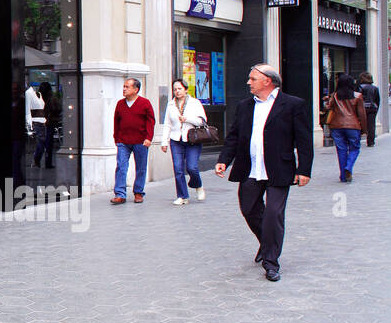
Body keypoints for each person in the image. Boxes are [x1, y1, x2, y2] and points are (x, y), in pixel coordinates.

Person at [215, 63, 312, 283]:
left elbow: (304, 140)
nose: (249, 82)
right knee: (249, 209)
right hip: (251, 168)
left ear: (267, 81)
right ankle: (267, 242)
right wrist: (224, 160)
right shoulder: (245, 106)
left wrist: (304, 169)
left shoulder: (292, 105)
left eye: (253, 79)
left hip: (279, 169)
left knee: (273, 215)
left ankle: (271, 262)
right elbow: (234, 136)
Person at [162, 77, 207, 205]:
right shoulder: (171, 104)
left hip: (192, 139)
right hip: (176, 139)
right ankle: (182, 196)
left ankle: (198, 185)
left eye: (180, 89)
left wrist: (187, 119)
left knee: (192, 167)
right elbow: (167, 124)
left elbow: (202, 121)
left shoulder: (195, 103)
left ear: (186, 90)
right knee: (178, 169)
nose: (177, 91)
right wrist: (164, 142)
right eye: (175, 89)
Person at [112, 77, 155, 204]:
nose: (124, 89)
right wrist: (117, 138)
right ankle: (120, 194)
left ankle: (138, 192)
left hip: (141, 141)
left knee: (140, 167)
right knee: (121, 166)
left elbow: (151, 121)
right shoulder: (120, 103)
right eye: (124, 86)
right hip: (123, 142)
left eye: (127, 87)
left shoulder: (145, 103)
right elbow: (116, 122)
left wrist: (148, 138)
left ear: (136, 90)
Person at [324, 73, 366, 183]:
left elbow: (329, 107)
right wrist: (364, 129)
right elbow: (361, 114)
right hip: (353, 126)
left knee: (341, 150)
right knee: (354, 148)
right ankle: (349, 166)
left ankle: (343, 175)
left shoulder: (335, 95)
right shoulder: (357, 96)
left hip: (336, 126)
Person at [357, 71, 380, 148]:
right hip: (372, 108)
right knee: (371, 126)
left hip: (361, 108)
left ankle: (357, 139)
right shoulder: (375, 88)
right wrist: (376, 108)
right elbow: (377, 100)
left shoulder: (359, 87)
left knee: (359, 124)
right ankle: (370, 142)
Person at [25, 81, 45, 167]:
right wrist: (29, 126)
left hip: (42, 122)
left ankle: (36, 160)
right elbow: (27, 111)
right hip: (36, 122)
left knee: (42, 142)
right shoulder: (28, 94)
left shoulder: (38, 94)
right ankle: (36, 160)